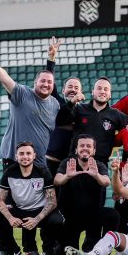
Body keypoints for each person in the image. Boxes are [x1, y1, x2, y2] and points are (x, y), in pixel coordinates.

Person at [0, 46, 59, 170]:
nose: (46, 84)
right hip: (15, 161)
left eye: (49, 82)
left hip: (40, 164)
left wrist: (52, 58)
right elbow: (5, 79)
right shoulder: (22, 94)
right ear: (35, 82)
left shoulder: (55, 104)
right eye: (42, 81)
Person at [0, 142, 63, 255]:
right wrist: (10, 218)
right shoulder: (9, 172)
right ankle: (13, 250)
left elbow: (52, 201)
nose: (25, 156)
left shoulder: (43, 171)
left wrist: (36, 219)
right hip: (19, 210)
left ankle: (47, 251)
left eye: (28, 153)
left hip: (39, 210)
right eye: (21, 154)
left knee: (57, 220)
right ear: (16, 156)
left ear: (34, 156)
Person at [54, 134, 119, 253]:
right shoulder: (68, 163)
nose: (85, 148)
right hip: (71, 216)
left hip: (93, 215)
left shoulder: (98, 165)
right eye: (82, 146)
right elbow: (57, 180)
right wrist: (67, 176)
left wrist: (96, 175)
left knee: (112, 215)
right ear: (76, 150)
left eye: (88, 146)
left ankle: (104, 251)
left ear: (94, 151)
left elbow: (106, 182)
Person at [43, 37, 84, 175]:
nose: (73, 90)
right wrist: (51, 58)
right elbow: (49, 80)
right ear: (63, 91)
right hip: (51, 161)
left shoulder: (85, 110)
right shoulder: (56, 101)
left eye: (76, 88)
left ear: (81, 92)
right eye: (70, 87)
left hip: (74, 165)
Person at [70, 77, 128, 165]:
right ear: (92, 92)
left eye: (106, 89)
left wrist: (117, 140)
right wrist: (71, 102)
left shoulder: (115, 114)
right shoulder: (79, 109)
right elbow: (61, 121)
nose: (102, 91)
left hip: (101, 164)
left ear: (110, 94)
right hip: (77, 163)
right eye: (99, 88)